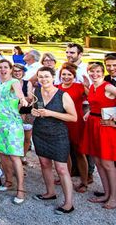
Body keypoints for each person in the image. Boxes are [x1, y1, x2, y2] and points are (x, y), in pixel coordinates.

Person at [31, 66, 78, 214]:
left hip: (58, 135)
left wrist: (51, 112)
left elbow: (73, 117)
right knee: (44, 164)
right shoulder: (36, 92)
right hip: (39, 132)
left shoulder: (63, 95)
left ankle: (69, 203)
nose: (43, 79)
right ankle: (50, 193)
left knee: (61, 168)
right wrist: (34, 111)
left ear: (53, 78)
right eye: (40, 77)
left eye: (46, 76)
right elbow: (37, 108)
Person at [0, 59, 29, 204]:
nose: (3, 70)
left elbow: (20, 94)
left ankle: (21, 190)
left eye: (5, 67)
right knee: (2, 154)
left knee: (14, 156)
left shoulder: (14, 82)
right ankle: (8, 181)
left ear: (10, 68)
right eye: (0, 67)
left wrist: (23, 100)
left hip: (12, 124)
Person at [80, 62, 116, 209]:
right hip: (93, 125)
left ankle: (114, 197)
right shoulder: (93, 87)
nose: (95, 74)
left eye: (98, 71)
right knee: (99, 163)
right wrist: (89, 112)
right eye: (92, 71)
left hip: (105, 127)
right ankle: (106, 193)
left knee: (107, 163)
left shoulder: (107, 86)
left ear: (102, 72)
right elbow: (96, 103)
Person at [56, 63, 89, 192]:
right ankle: (66, 177)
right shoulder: (56, 88)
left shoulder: (80, 87)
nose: (66, 77)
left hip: (76, 124)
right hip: (61, 124)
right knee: (65, 153)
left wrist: (89, 111)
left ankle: (84, 182)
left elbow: (93, 99)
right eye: (64, 74)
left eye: (69, 74)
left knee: (79, 152)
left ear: (74, 76)